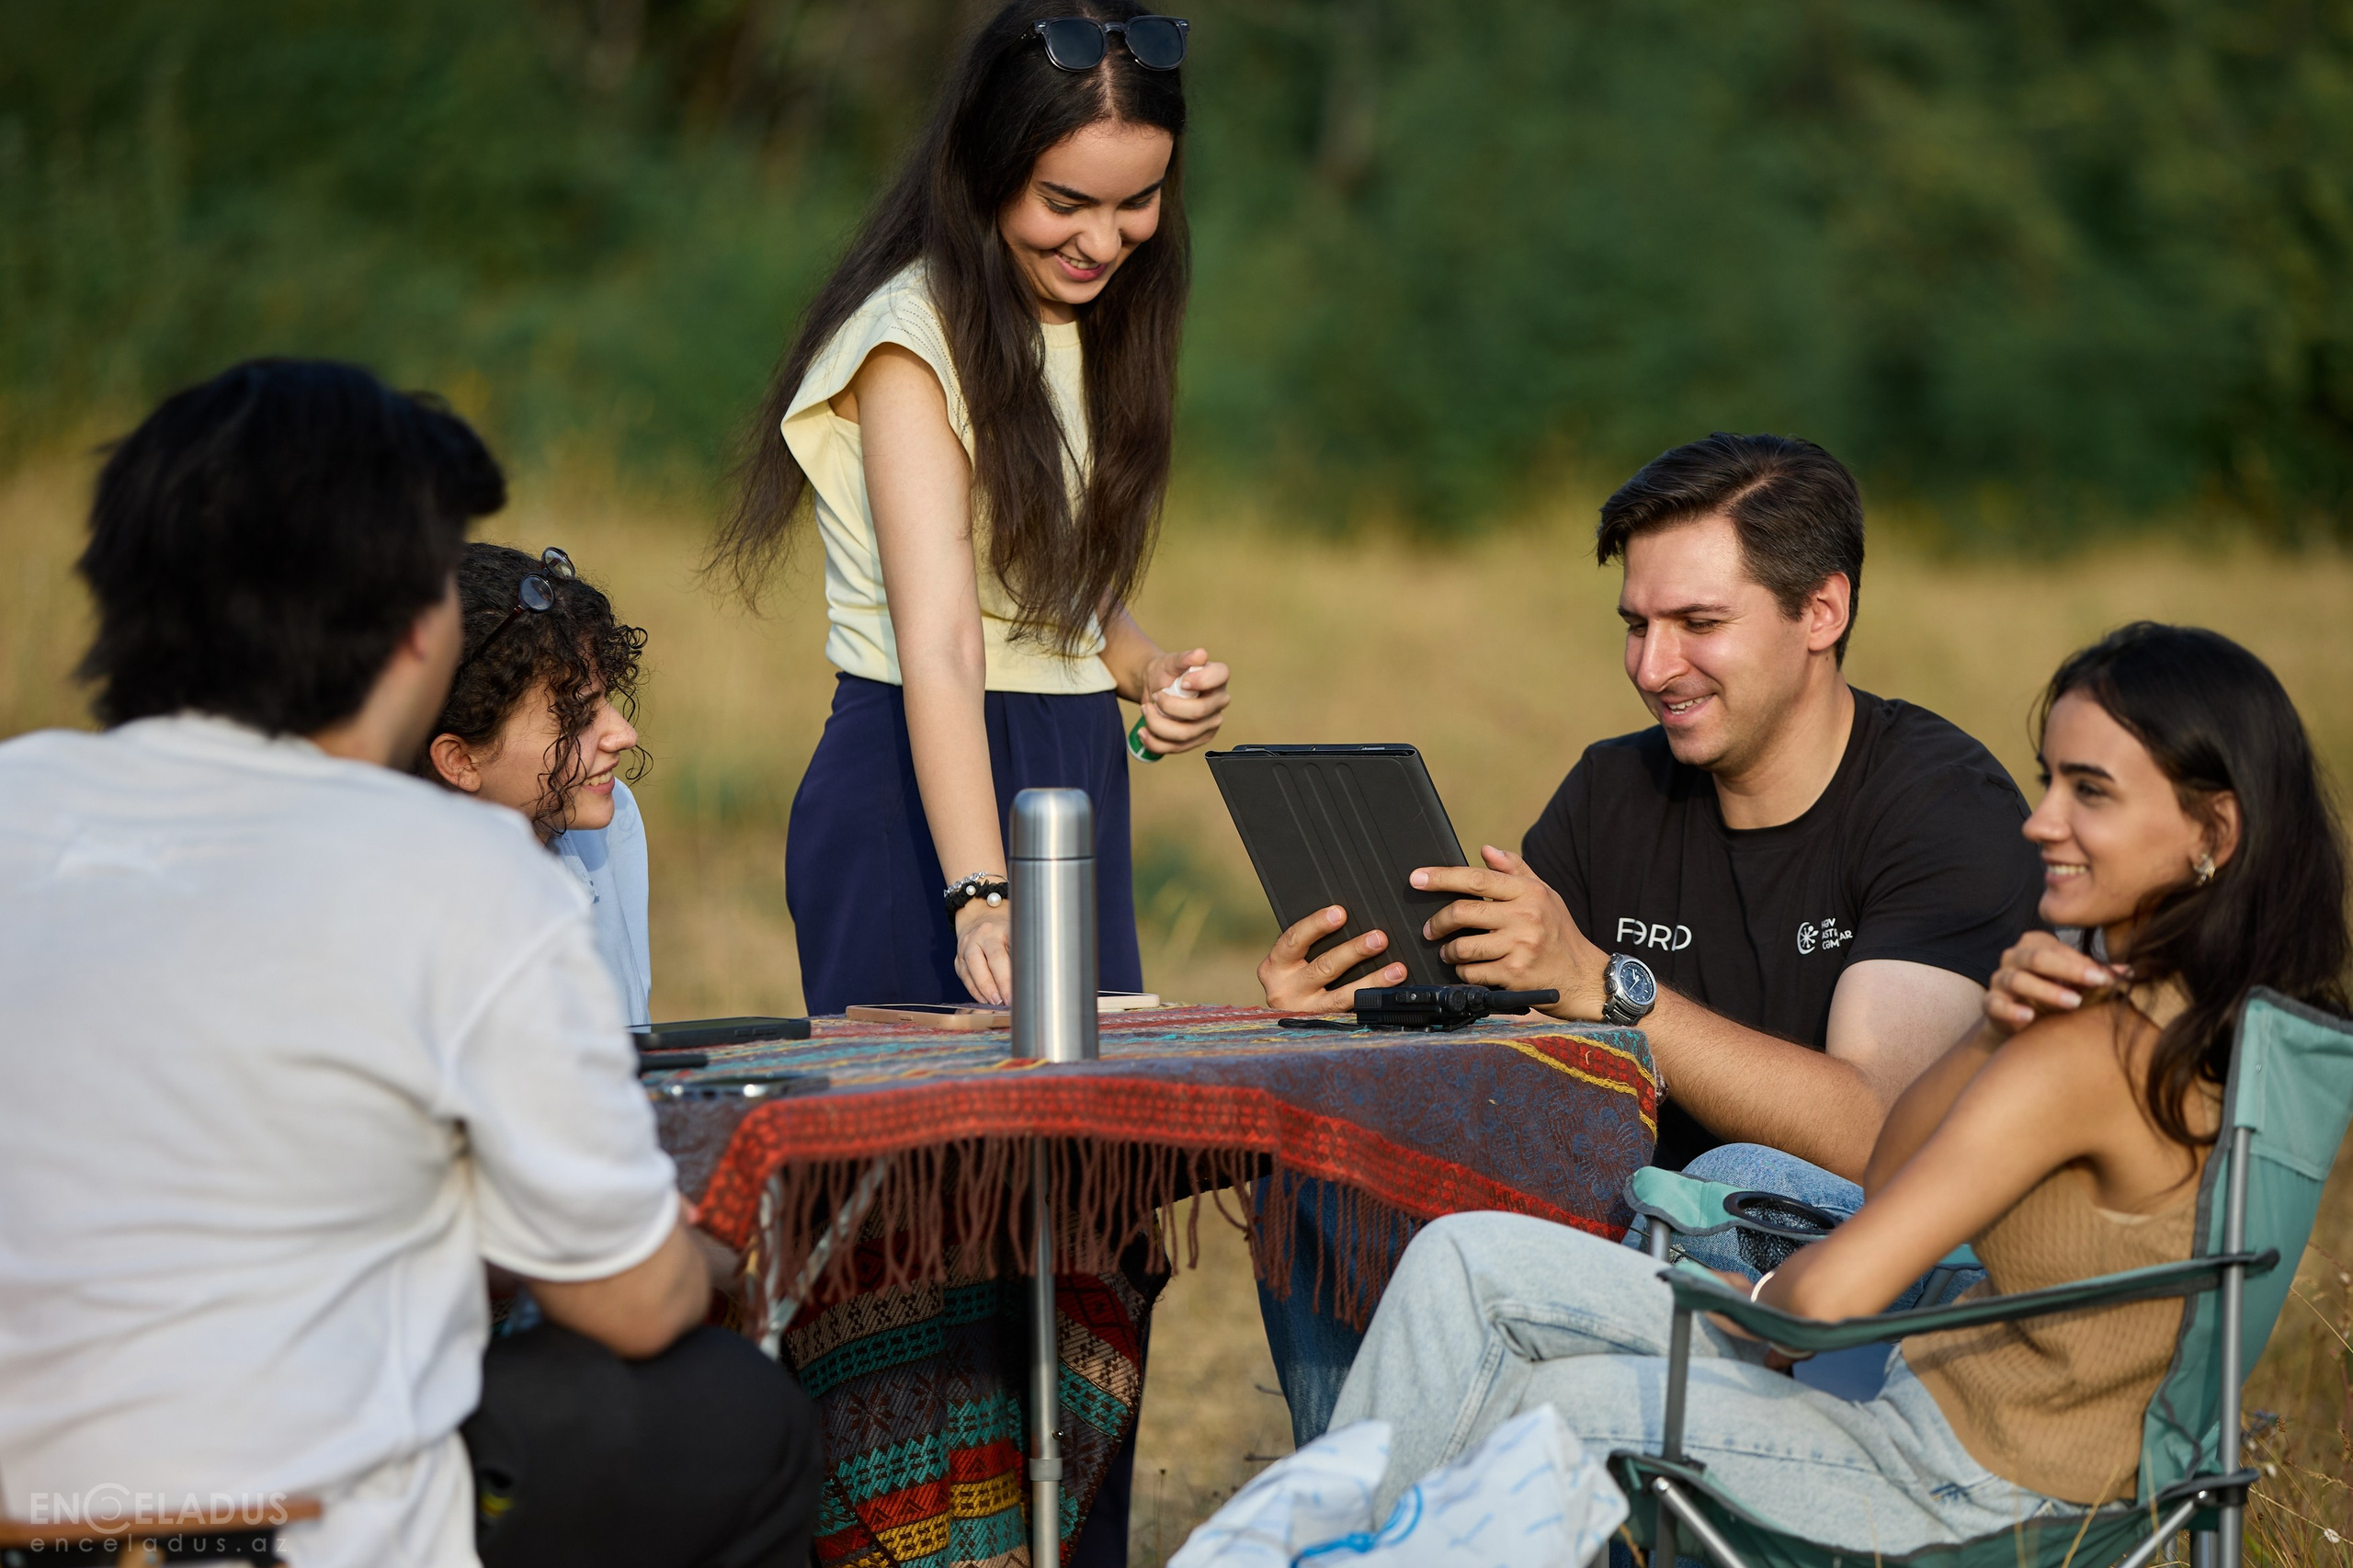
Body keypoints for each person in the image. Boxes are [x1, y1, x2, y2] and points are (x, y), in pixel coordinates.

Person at [0, 359, 820, 1568]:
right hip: (295, 1526)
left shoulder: (19, 796)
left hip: (36, 1506)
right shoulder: (466, 872)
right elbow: (630, 1299)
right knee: (734, 1411)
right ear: (409, 625)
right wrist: (714, 1242)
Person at [1332, 621, 2349, 1544]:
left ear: (2212, 831)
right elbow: (1890, 1172)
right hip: (1995, 1423)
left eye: (2089, 791)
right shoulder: (2217, 1016)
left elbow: (1829, 1297)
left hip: (1948, 1475)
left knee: (1541, 1403)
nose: (2039, 821)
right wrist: (1992, 1026)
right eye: (2046, 780)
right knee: (1469, 1258)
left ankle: (1313, 1540)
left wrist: (1754, 1301)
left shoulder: (2091, 1052)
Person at [1254, 433, 2045, 1441]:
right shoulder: (1610, 792)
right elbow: (1507, 1047)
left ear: (1822, 611)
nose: (1652, 665)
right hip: (1626, 1227)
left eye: (1697, 622)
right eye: (1635, 624)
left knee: (1729, 1180)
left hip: (1843, 1271)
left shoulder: (1940, 805)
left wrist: (1610, 986)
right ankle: (1374, 1518)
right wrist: (1357, 1014)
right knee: (1332, 1164)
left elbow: (1877, 1134)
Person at [713, 0, 1232, 1018]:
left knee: (1082, 1165)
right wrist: (982, 893)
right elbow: (944, 641)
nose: (1102, 240)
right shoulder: (910, 343)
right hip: (924, 786)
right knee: (939, 1168)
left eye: (1138, 203)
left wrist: (1145, 668)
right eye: (1066, 201)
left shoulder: (1094, 319)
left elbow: (1042, 580)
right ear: (987, 164)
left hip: (1070, 773)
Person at [423, 541, 654, 1028]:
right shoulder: (395, 914)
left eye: (606, 701)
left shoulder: (609, 822)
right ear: (460, 759)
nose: (624, 735)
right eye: (576, 716)